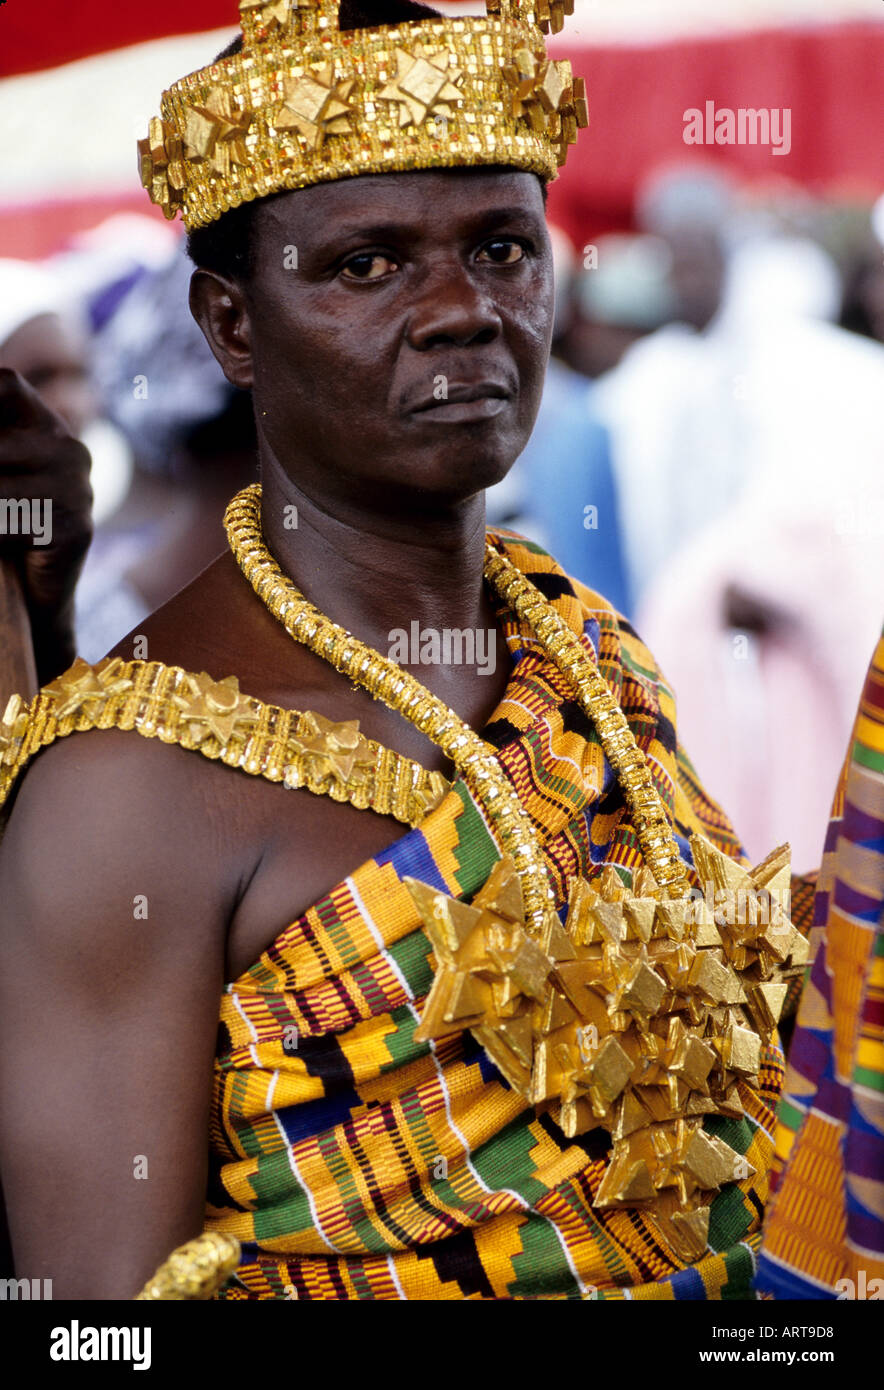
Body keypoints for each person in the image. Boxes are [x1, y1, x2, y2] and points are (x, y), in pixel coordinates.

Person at [0, 0, 817, 1302]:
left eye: (501, 247)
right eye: (367, 266)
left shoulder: (593, 650)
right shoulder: (127, 785)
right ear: (233, 326)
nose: (462, 312)